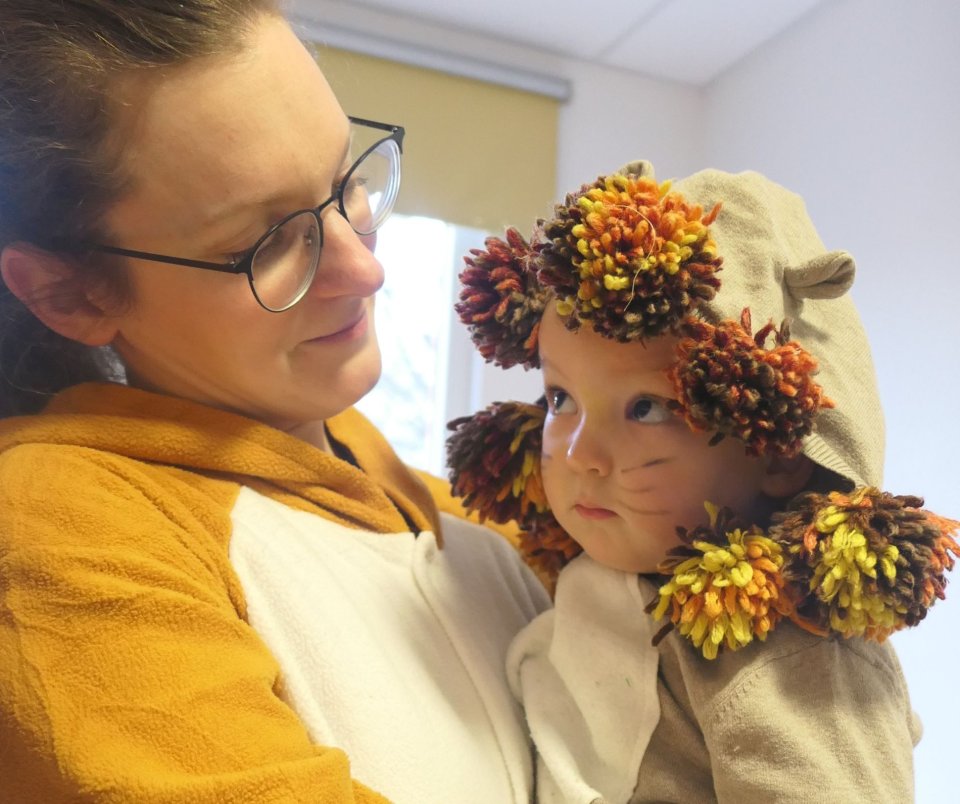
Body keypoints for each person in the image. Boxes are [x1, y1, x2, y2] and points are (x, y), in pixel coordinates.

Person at [0, 2, 551, 801]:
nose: (365, 270)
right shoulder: (59, 531)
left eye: (346, 184)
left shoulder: (437, 507)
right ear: (70, 293)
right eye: (263, 243)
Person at [447, 161, 960, 802]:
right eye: (560, 398)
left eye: (646, 408)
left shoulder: (790, 650)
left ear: (778, 451)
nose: (582, 454)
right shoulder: (590, 577)